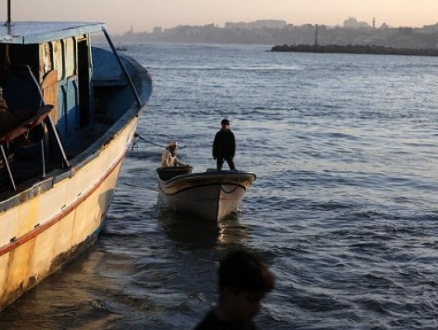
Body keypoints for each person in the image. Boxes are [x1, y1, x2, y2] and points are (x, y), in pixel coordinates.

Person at [194, 249, 275, 330]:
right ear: (228, 294)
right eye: (252, 300)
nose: (258, 308)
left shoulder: (246, 324)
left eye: (260, 299)